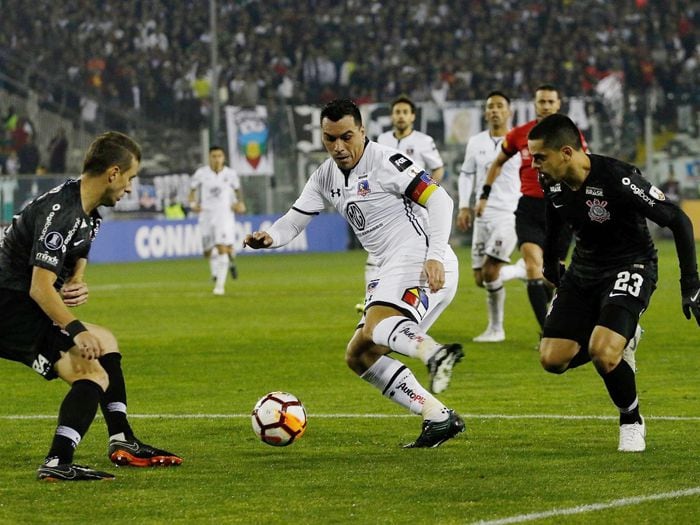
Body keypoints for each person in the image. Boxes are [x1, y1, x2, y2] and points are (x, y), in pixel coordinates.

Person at [244, 99, 465, 448]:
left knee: (376, 326)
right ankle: (437, 416)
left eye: (346, 137)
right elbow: (294, 220)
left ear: (362, 131)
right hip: (387, 264)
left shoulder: (387, 161)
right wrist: (270, 236)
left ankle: (434, 353)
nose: (338, 147)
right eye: (329, 138)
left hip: (418, 256)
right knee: (360, 355)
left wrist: (435, 255)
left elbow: (440, 200)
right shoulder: (325, 175)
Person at [0, 131, 182, 481]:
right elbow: (40, 287)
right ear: (113, 173)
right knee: (93, 372)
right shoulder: (62, 212)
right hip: (10, 307)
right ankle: (57, 462)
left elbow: (79, 251)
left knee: (106, 341)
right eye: (129, 178)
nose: (129, 188)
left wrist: (75, 281)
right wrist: (76, 330)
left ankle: (122, 439)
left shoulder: (89, 210)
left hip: (22, 302)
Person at [529, 114, 700, 452]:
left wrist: (691, 283)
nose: (535, 165)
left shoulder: (617, 178)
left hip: (632, 265)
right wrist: (552, 262)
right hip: (583, 271)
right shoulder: (552, 182)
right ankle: (624, 335)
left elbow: (678, 220)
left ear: (566, 152)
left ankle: (631, 419)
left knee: (602, 352)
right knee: (552, 360)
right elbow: (555, 222)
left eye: (539, 157)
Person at [476, 84, 587, 335]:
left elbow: (584, 167)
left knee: (552, 275)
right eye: (541, 102)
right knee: (532, 267)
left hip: (561, 208)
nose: (546, 106)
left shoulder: (571, 135)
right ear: (534, 105)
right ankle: (547, 331)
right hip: (529, 208)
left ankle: (557, 312)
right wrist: (484, 194)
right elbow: (497, 163)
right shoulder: (519, 135)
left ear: (558, 104)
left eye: (550, 102)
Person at [352, 95, 446, 312]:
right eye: (397, 112)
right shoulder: (381, 139)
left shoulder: (424, 141)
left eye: (405, 112)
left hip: (414, 207)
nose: (401, 116)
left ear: (412, 116)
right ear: (392, 116)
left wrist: (428, 192)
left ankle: (411, 302)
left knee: (412, 255)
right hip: (387, 207)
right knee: (375, 256)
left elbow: (438, 168)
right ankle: (371, 300)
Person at [456, 91, 526, 343]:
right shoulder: (475, 142)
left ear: (509, 111)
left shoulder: (521, 141)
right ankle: (520, 270)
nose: (495, 110)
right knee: (479, 278)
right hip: (482, 214)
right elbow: (466, 174)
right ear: (485, 113)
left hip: (509, 213)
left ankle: (496, 329)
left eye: (499, 106)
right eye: (490, 107)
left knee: (490, 271)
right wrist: (464, 206)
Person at [188, 146, 246, 295]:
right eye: (213, 156)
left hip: (224, 215)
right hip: (206, 215)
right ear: (209, 157)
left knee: (221, 247)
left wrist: (239, 203)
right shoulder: (201, 173)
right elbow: (192, 192)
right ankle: (227, 260)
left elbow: (238, 191)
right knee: (207, 252)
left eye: (219, 156)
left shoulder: (230, 174)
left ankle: (219, 286)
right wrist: (193, 204)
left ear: (223, 157)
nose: (216, 159)